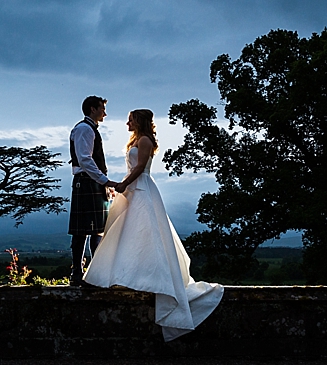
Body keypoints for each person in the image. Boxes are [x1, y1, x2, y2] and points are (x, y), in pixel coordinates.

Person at [84, 109, 224, 341]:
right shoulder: (137, 140)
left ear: (138, 121)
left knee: (144, 234)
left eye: (130, 119)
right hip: (133, 189)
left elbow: (139, 169)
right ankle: (128, 276)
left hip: (142, 189)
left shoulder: (145, 140)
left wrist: (123, 184)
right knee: (127, 234)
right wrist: (123, 186)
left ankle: (148, 278)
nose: (127, 122)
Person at [68, 96, 120, 287]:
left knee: (97, 230)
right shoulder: (84, 129)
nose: (104, 113)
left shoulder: (89, 129)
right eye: (102, 109)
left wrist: (105, 184)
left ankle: (94, 272)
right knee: (82, 230)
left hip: (93, 183)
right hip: (87, 182)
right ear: (92, 109)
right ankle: (77, 272)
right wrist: (106, 181)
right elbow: (85, 160)